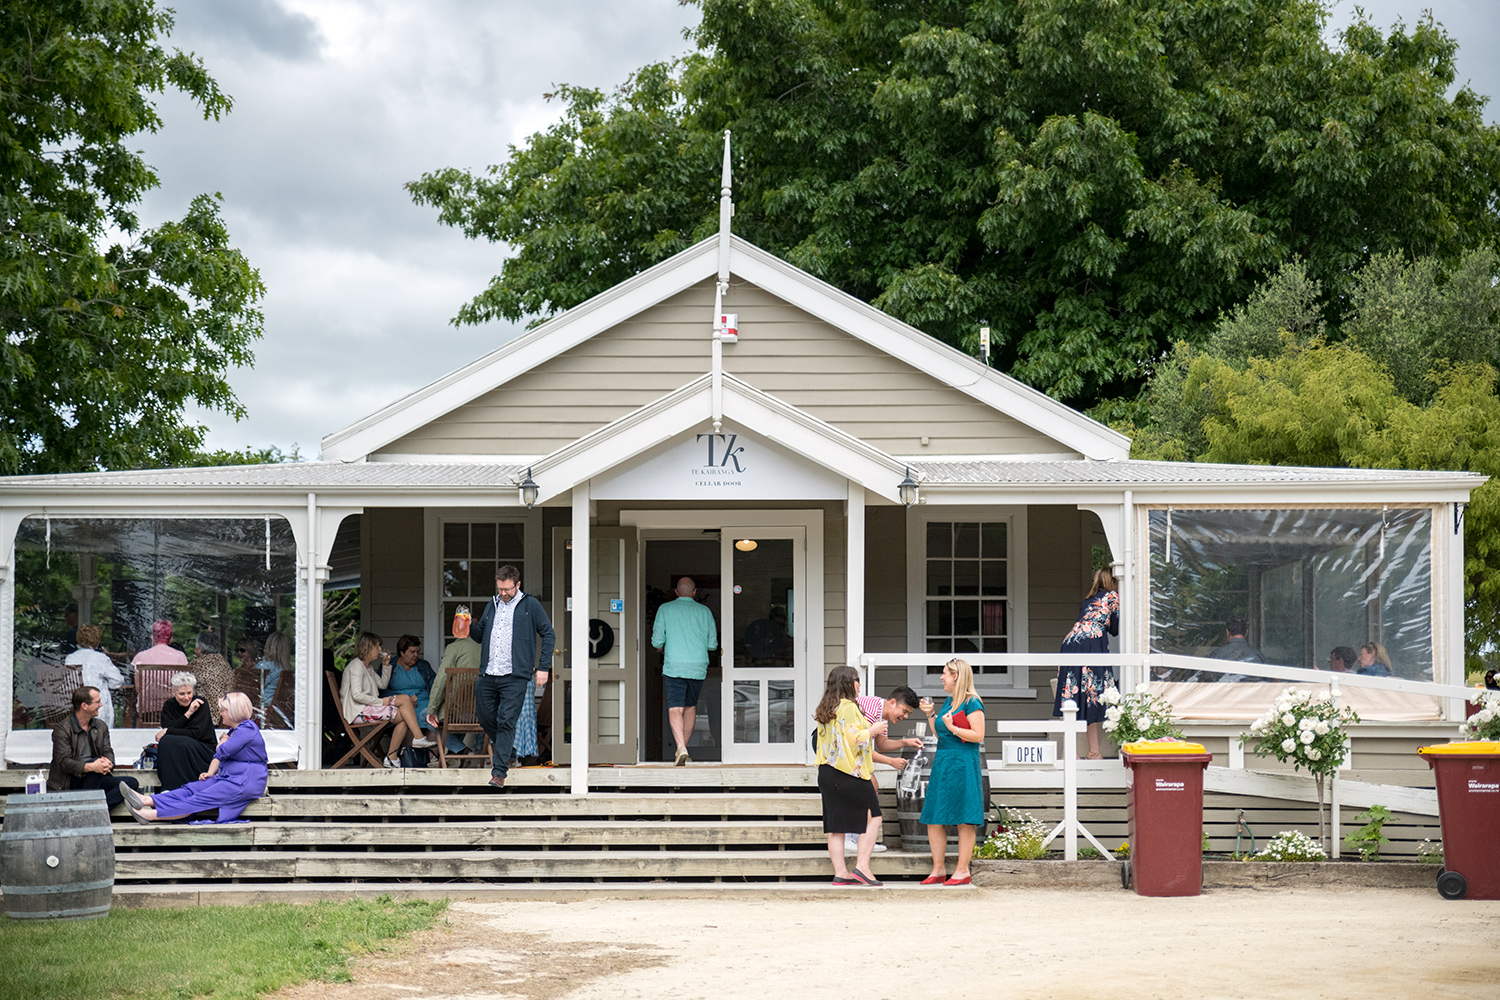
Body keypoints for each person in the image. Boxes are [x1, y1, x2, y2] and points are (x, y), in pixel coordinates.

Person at [123, 693, 268, 824]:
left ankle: (150, 815)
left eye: (223, 710)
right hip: (229, 778)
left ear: (233, 712)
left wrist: (223, 741)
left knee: (198, 799)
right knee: (192, 788)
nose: (221, 713)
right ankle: (147, 800)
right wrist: (210, 773)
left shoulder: (247, 728)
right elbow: (218, 756)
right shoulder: (234, 731)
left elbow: (223, 750)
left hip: (244, 781)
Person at [475, 565, 555, 789]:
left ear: (517, 585)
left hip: (515, 676)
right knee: (485, 718)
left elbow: (548, 634)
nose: (503, 593)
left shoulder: (530, 605)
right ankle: (509, 751)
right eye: (500, 589)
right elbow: (480, 635)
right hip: (489, 673)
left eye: (507, 589)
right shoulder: (492, 605)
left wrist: (543, 668)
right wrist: (467, 626)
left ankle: (499, 772)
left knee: (507, 721)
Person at [813, 665, 886, 887]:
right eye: (856, 680)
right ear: (847, 682)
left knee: (836, 826)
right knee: (874, 816)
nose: (859, 684)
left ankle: (841, 873)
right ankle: (862, 867)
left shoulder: (826, 708)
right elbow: (855, 741)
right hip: (849, 772)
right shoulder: (849, 708)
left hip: (826, 772)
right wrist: (874, 730)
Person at [918, 657, 986, 886]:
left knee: (964, 818)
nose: (941, 677)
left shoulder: (972, 703)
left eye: (945, 673)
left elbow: (978, 736)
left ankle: (962, 870)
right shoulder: (948, 702)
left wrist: (953, 727)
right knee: (934, 816)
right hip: (943, 763)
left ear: (956, 676)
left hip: (963, 763)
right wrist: (930, 715)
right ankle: (938, 869)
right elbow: (940, 734)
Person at [845, 685, 924, 854]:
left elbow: (881, 745)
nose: (905, 716)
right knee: (865, 785)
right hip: (838, 749)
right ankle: (848, 838)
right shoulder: (868, 709)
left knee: (871, 785)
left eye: (908, 713)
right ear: (893, 703)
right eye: (904, 711)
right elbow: (858, 745)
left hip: (853, 753)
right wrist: (890, 762)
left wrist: (905, 742)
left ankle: (861, 839)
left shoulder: (882, 716)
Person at [340, 630, 434, 768]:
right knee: (404, 701)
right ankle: (418, 738)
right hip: (358, 712)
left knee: (404, 716)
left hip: (368, 709)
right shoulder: (356, 666)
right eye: (377, 646)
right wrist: (382, 702)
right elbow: (357, 695)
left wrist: (385, 665)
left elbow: (382, 685)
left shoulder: (368, 667)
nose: (380, 650)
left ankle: (392, 757)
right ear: (368, 647)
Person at [651, 576, 718, 765]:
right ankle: (683, 748)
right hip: (697, 666)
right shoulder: (704, 612)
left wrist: (661, 648)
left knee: (675, 707)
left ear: (677, 592)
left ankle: (681, 747)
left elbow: (657, 641)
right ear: (695, 592)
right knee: (690, 706)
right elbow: (712, 644)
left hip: (674, 665)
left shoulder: (665, 609)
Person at [1053, 568, 1119, 759]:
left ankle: (1073, 753)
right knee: (1093, 694)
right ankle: (1094, 751)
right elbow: (1115, 628)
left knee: (1072, 695)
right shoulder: (1113, 596)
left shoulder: (1088, 600)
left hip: (1070, 643)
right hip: (1091, 644)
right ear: (1113, 581)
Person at [47, 686, 141, 807]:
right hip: (70, 781)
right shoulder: (63, 729)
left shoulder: (101, 726)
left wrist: (109, 763)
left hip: (96, 778)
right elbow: (64, 762)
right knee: (95, 765)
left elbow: (108, 751)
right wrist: (91, 766)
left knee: (131, 783)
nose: (101, 704)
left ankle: (94, 809)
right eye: (97, 702)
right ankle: (94, 810)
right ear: (84, 706)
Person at [428, 606, 481, 759]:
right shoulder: (487, 648)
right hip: (481, 713)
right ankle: (455, 754)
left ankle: (461, 751)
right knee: (457, 712)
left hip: (457, 713)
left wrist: (432, 709)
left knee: (425, 716)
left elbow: (441, 680)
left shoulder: (454, 648)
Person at [154, 672, 216, 790]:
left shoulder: (201, 703)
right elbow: (169, 728)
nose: (186, 697)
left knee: (170, 740)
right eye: (182, 694)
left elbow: (197, 733)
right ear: (173, 692)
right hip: (181, 748)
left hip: (203, 749)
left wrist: (168, 731)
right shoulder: (169, 705)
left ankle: (177, 789)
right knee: (167, 741)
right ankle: (169, 789)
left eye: (189, 693)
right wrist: (188, 713)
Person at [64, 624, 124, 728]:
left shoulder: (70, 658)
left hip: (76, 709)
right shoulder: (100, 658)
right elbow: (117, 682)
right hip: (97, 711)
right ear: (97, 641)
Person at [383, 634, 436, 743]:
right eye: (412, 652)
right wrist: (402, 699)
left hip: (424, 704)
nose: (416, 655)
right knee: (406, 721)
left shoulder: (423, 666)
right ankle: (410, 757)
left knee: (432, 722)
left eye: (417, 652)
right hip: (400, 705)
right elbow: (381, 691)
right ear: (402, 652)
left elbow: (435, 687)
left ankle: (432, 758)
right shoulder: (390, 666)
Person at [189, 632, 234, 725]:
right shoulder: (225, 664)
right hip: (225, 715)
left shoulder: (196, 665)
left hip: (205, 717)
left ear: (200, 648)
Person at [1205, 615, 1263, 682]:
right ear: (1246, 632)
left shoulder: (1218, 654)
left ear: (1227, 632)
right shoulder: (1258, 655)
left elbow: (1209, 679)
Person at [257, 631, 294, 729]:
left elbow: (253, 689)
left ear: (268, 647)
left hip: (262, 712)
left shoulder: (265, 667)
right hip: (279, 713)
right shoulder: (287, 670)